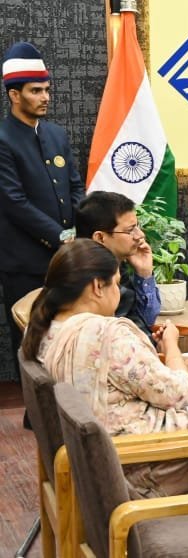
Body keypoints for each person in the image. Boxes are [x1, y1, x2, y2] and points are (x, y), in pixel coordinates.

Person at [22, 239, 188, 497]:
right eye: (116, 283)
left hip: (105, 463)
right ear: (97, 287)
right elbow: (177, 395)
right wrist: (171, 345)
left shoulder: (42, 330)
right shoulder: (107, 334)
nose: (118, 293)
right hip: (144, 463)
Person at [0, 41, 84, 367]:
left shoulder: (56, 134)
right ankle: (34, 403)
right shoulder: (3, 139)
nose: (46, 97)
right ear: (14, 95)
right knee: (30, 343)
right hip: (25, 262)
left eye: (47, 90)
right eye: (36, 91)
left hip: (65, 259)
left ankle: (64, 402)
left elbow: (75, 187)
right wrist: (61, 236)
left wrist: (77, 231)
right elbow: (14, 202)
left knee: (67, 340)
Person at [75, 190, 160, 335]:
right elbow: (120, 337)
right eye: (130, 230)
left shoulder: (117, 265)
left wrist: (144, 274)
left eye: (137, 226)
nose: (140, 235)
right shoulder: (87, 280)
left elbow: (147, 322)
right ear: (100, 238)